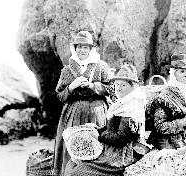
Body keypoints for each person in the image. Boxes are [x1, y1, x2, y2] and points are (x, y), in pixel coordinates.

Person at [64, 64, 147, 176]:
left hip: (122, 154)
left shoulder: (132, 107)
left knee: (78, 172)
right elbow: (112, 128)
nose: (119, 88)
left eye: (123, 85)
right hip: (112, 148)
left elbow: (121, 138)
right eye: (117, 84)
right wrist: (97, 129)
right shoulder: (122, 104)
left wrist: (98, 136)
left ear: (133, 87)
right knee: (71, 165)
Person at [53, 31, 113, 176]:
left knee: (98, 148)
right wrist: (72, 86)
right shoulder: (67, 70)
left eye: (86, 47)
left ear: (91, 49)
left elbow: (112, 88)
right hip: (74, 115)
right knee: (74, 150)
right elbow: (60, 96)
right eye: (79, 47)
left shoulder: (101, 66)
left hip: (98, 114)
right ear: (75, 48)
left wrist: (93, 86)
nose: (82, 50)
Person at [145, 53, 186, 149]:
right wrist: (184, 121)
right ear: (174, 73)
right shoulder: (164, 97)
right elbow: (159, 127)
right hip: (170, 142)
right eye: (182, 71)